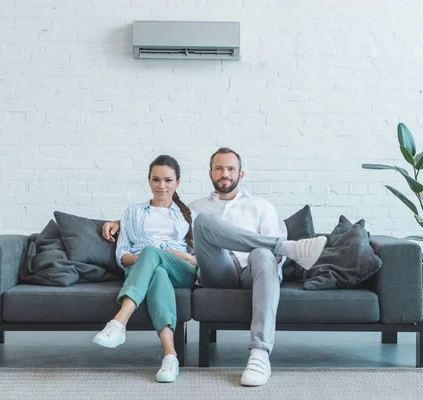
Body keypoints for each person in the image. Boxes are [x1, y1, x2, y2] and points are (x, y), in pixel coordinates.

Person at [102, 148, 326, 386]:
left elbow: (270, 261)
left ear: (241, 174)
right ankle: (287, 246)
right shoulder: (194, 209)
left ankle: (260, 353)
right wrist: (121, 222)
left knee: (263, 253)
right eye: (219, 168)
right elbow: (163, 211)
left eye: (231, 169)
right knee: (206, 221)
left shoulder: (261, 206)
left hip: (254, 271)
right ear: (210, 173)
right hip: (218, 273)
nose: (225, 174)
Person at [93, 155, 198, 384]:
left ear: (177, 183)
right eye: (156, 179)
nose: (162, 186)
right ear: (149, 181)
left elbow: (201, 259)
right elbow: (122, 256)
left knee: (154, 255)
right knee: (156, 270)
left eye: (168, 180)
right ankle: (170, 356)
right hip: (143, 269)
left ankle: (120, 322)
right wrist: (148, 258)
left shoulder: (189, 216)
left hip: (179, 268)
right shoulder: (132, 212)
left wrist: (184, 256)